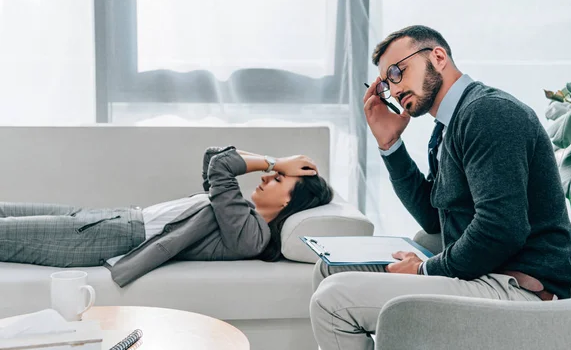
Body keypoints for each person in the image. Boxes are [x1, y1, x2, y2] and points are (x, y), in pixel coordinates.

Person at [309, 25, 571, 350]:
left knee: (333, 300)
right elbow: (432, 218)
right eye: (385, 84)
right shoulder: (449, 127)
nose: (393, 91)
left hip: (517, 290)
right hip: (482, 275)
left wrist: (424, 269)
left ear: (437, 56)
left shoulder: (489, 113)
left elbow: (502, 228)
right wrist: (390, 145)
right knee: (329, 268)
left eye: (397, 72)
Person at [0, 146, 333, 286]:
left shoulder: (251, 233)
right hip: (108, 217)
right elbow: (214, 156)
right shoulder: (239, 209)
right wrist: (276, 165)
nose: (265, 178)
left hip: (103, 236)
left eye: (277, 180)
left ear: (291, 203)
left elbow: (222, 167)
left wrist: (275, 161)